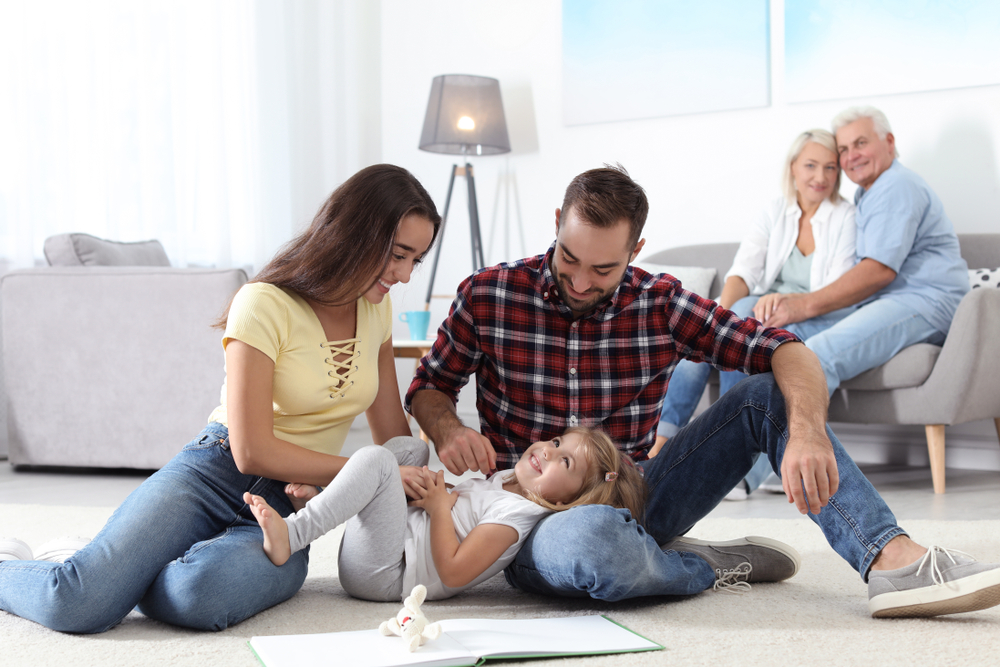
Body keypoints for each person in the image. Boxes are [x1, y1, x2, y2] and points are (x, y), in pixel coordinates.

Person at [406, 164, 1000, 618]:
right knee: (594, 546)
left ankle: (890, 559)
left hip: (638, 493)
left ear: (635, 251)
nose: (581, 281)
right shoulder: (488, 294)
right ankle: (695, 564)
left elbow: (786, 350)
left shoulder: (661, 302)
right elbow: (430, 386)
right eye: (569, 258)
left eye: (603, 270)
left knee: (766, 395)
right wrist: (448, 427)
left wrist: (807, 433)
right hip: (529, 518)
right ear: (557, 221)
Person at [0, 164, 442, 633]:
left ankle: (114, 571)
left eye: (415, 260)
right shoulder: (263, 302)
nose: (404, 275)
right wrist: (364, 474)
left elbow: (392, 438)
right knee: (77, 603)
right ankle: (79, 571)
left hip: (286, 511)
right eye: (398, 254)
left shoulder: (377, 311)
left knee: (196, 596)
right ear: (355, 234)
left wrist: (431, 490)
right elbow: (251, 451)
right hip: (213, 471)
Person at [653, 129, 857, 499]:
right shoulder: (775, 211)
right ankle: (657, 446)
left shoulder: (846, 216)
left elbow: (836, 288)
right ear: (793, 167)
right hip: (763, 312)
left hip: (815, 313)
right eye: (811, 165)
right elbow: (743, 272)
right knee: (700, 336)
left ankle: (734, 459)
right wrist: (716, 318)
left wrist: (778, 304)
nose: (820, 176)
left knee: (745, 321)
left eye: (830, 167)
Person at [244, 426, 647, 602]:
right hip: (392, 545)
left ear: (570, 501)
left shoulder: (516, 518)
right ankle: (321, 505)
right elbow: (463, 507)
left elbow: (454, 572)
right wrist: (439, 490)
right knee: (408, 450)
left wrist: (438, 508)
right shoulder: (507, 480)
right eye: (557, 442)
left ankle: (293, 535)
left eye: (565, 462)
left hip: (387, 577)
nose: (547, 451)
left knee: (376, 462)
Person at [752, 106, 969, 395]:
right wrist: (793, 300)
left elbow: (877, 272)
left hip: (925, 303)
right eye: (844, 149)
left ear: (889, 142)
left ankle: (794, 428)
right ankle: (754, 423)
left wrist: (802, 305)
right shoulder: (868, 192)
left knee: (814, 356)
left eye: (861, 143)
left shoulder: (896, 185)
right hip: (888, 301)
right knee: (785, 338)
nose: (852, 155)